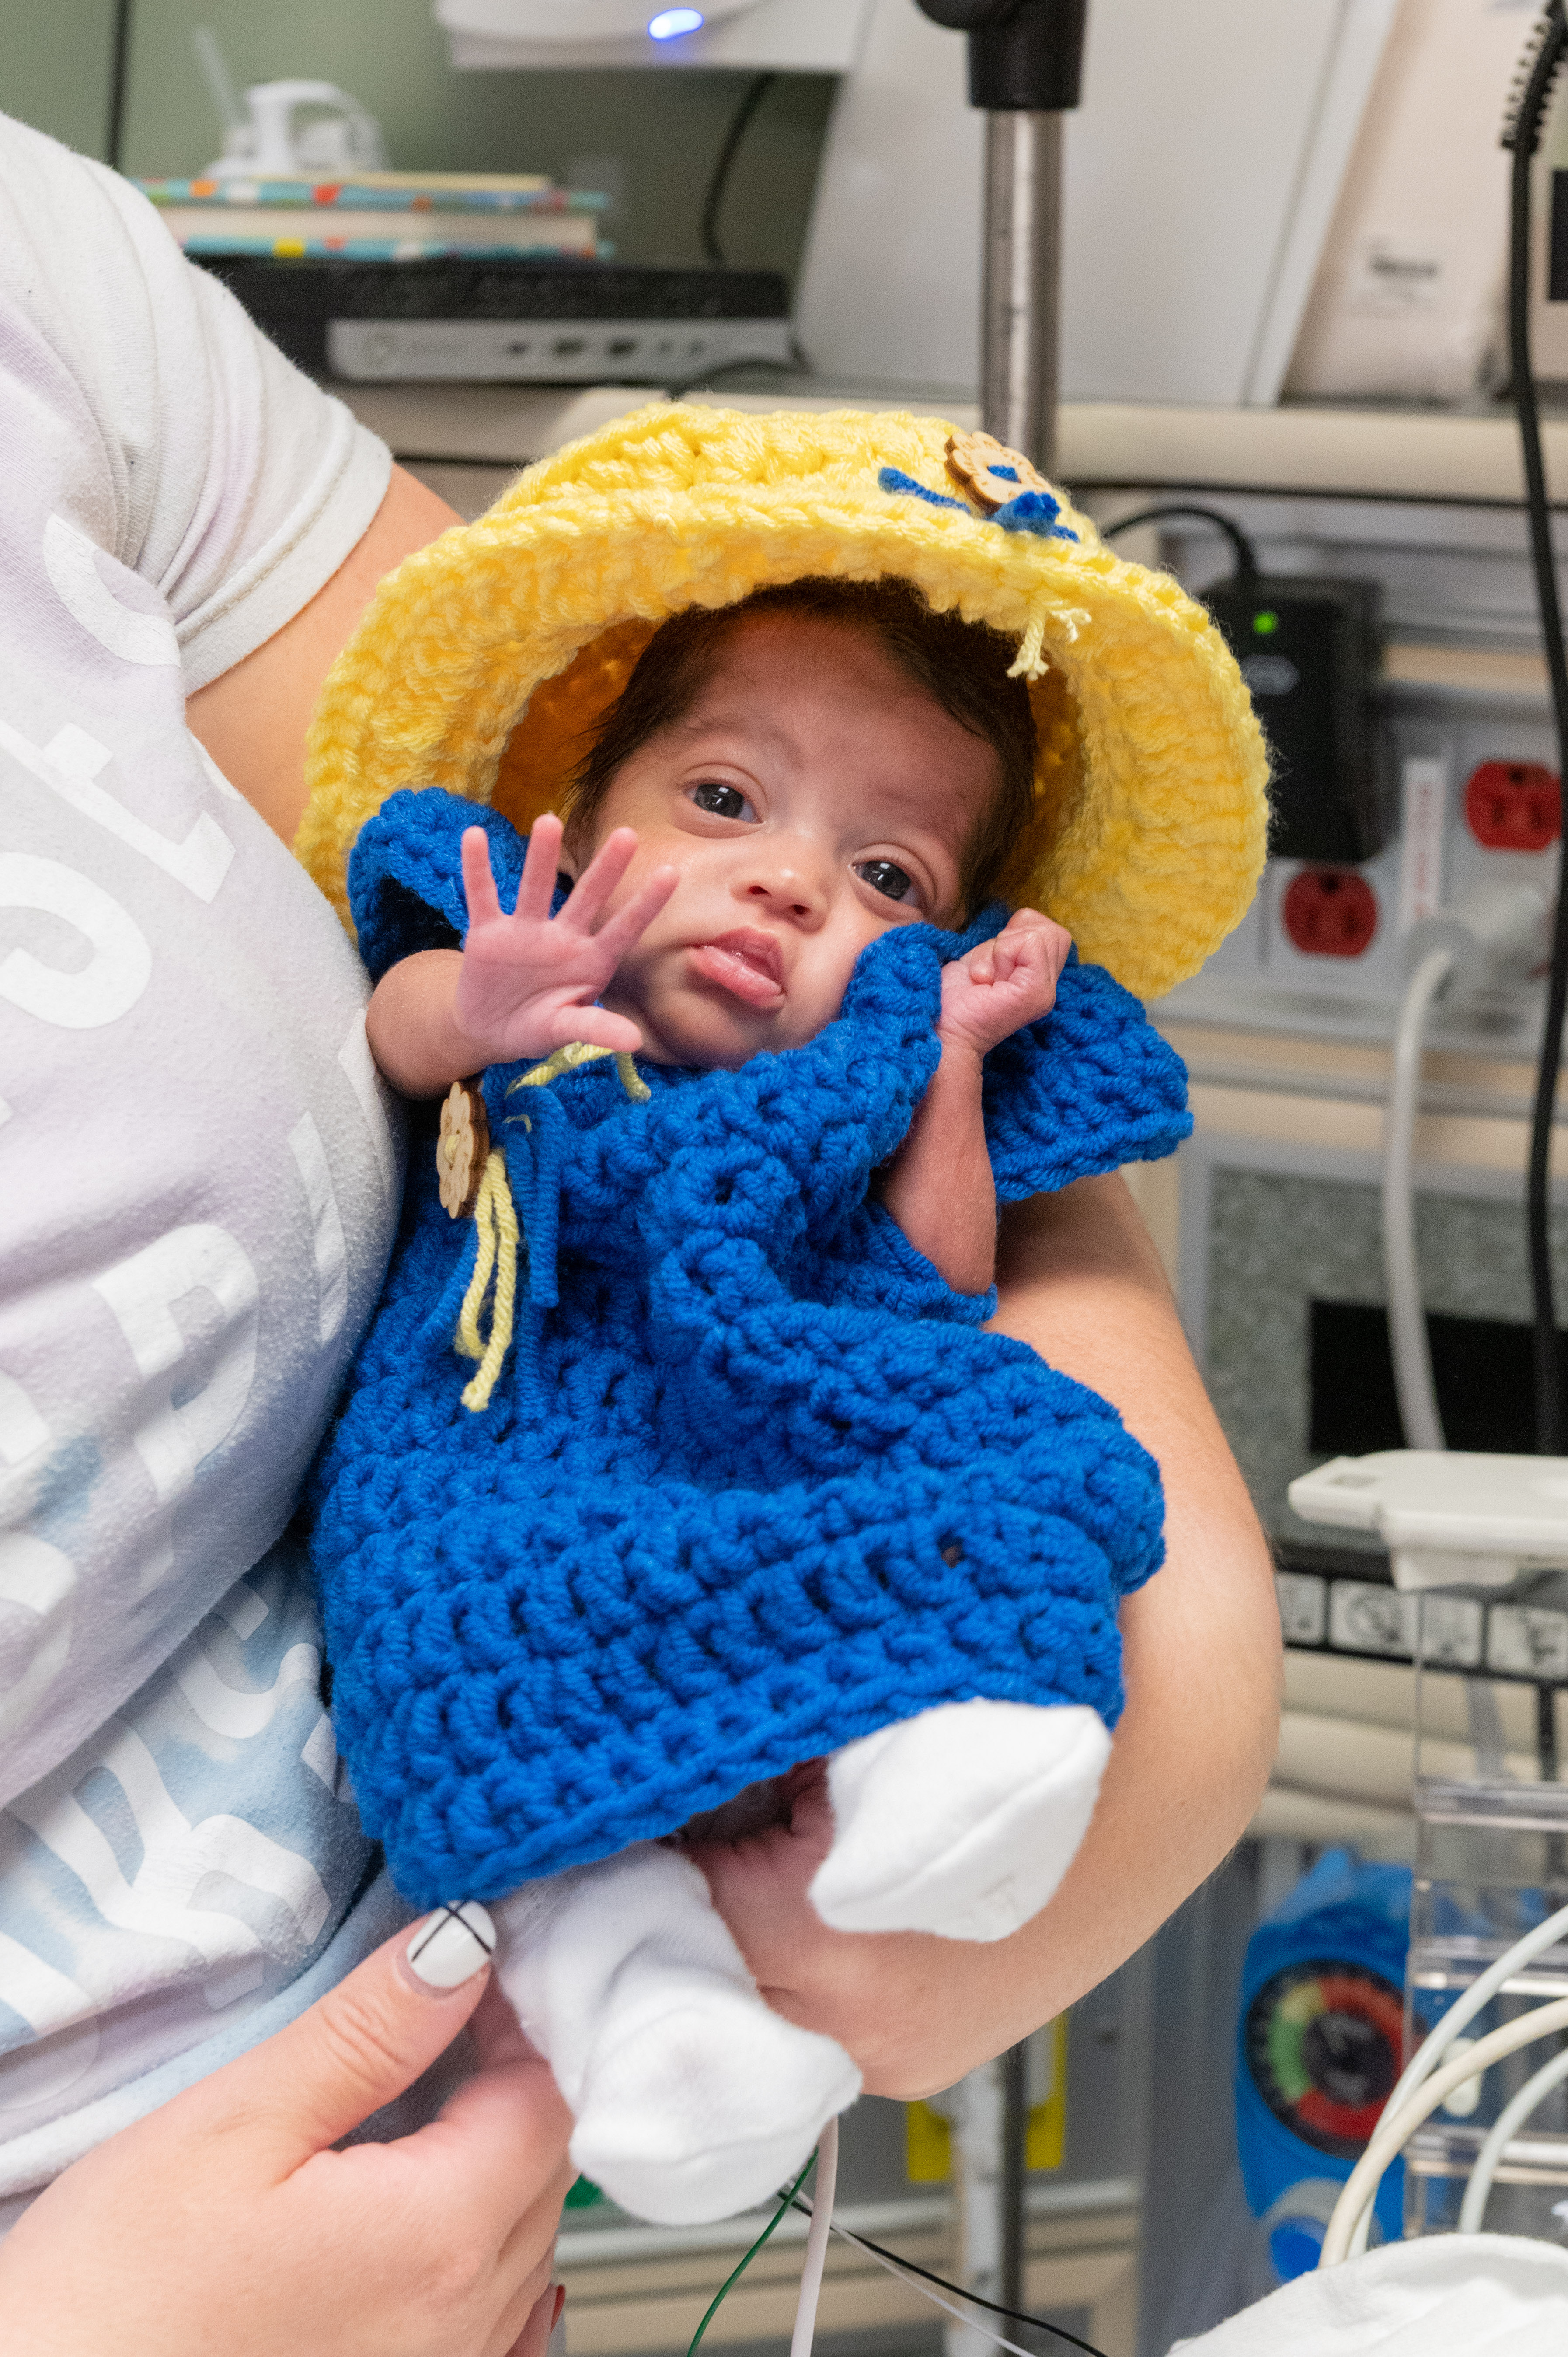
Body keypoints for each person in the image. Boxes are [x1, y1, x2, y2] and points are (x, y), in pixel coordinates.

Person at [0, 110, 1281, 2350]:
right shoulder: (517, 962)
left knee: (988, 1471)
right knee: (512, 1657)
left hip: (710, 1507)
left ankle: (926, 1779)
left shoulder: (51, 294)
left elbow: (967, 1276)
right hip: (493, 1472)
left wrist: (947, 1062)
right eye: (722, 805)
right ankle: (667, 1994)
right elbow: (409, 999)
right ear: (578, 807)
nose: (792, 880)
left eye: (888, 876)